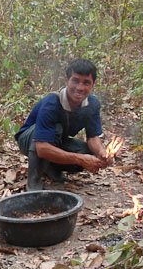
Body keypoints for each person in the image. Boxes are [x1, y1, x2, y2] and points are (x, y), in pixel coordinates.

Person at [15, 59, 117, 191]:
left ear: (93, 85)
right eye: (75, 81)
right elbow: (41, 147)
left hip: (56, 140)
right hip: (30, 139)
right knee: (55, 131)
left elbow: (92, 137)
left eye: (86, 83)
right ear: (67, 81)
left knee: (86, 151)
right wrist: (80, 159)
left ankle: (50, 168)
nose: (80, 88)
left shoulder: (92, 104)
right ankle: (34, 184)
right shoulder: (52, 103)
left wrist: (102, 154)